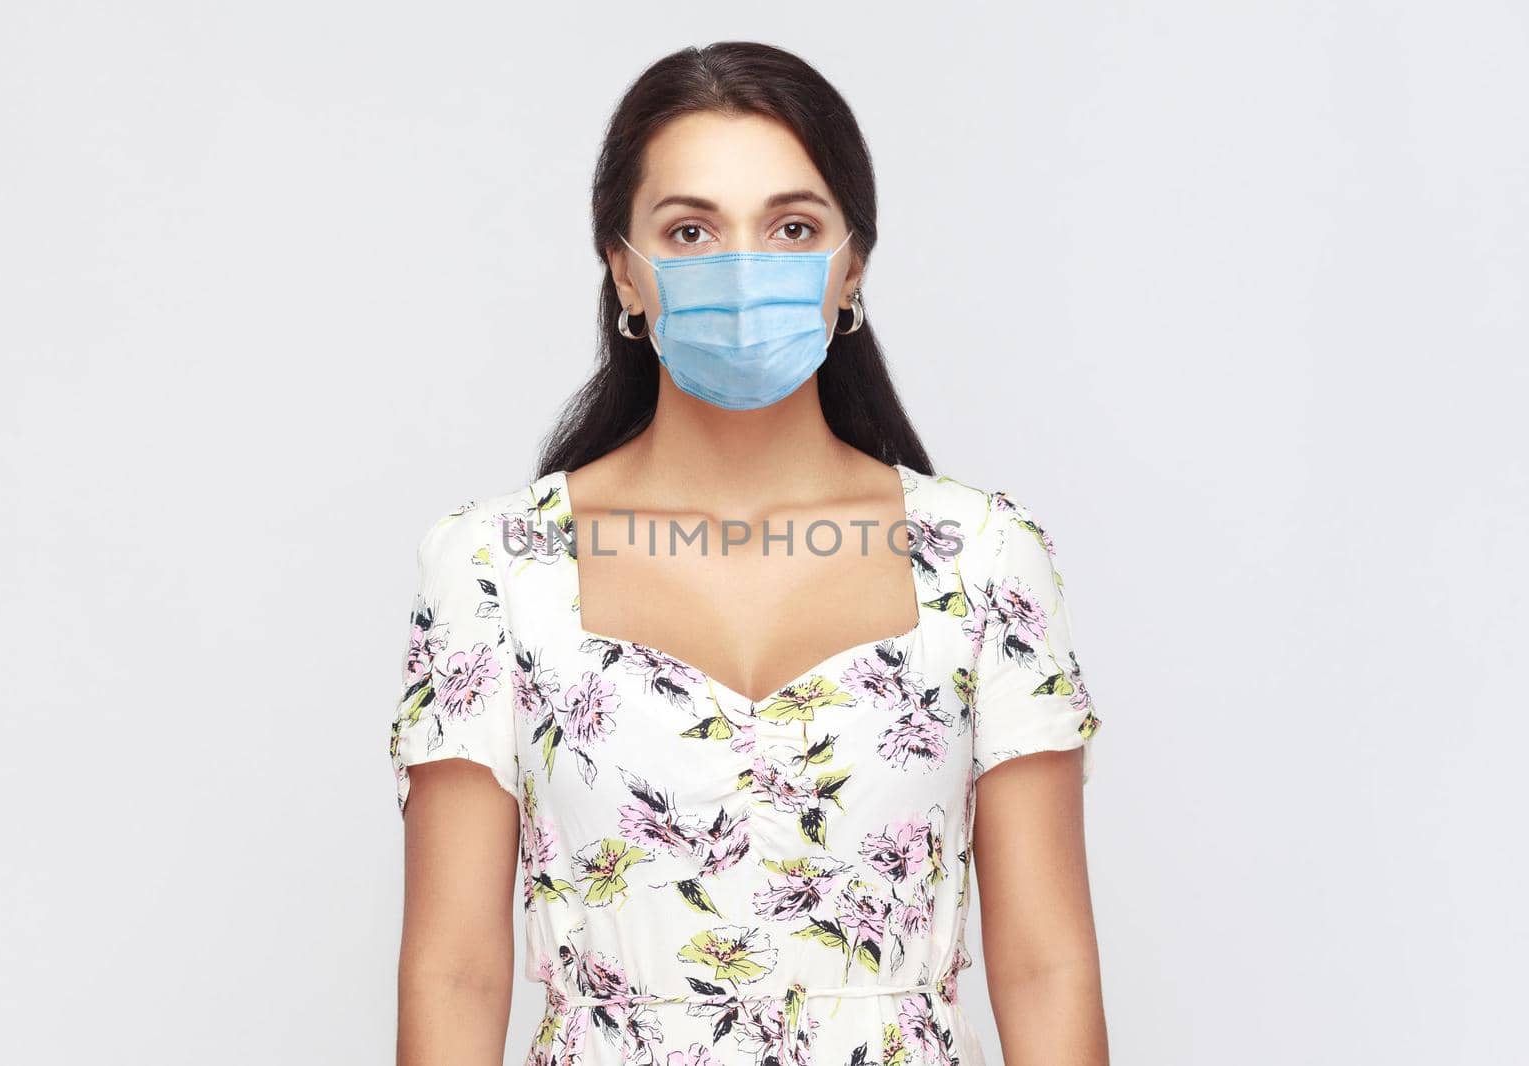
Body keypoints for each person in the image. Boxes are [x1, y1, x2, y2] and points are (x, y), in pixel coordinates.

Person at [389, 41, 1108, 1066]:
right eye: (690, 229)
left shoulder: (984, 560)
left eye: (791, 226)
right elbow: (453, 969)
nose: (740, 268)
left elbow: (1046, 963)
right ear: (622, 271)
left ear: (851, 262)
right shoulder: (496, 568)